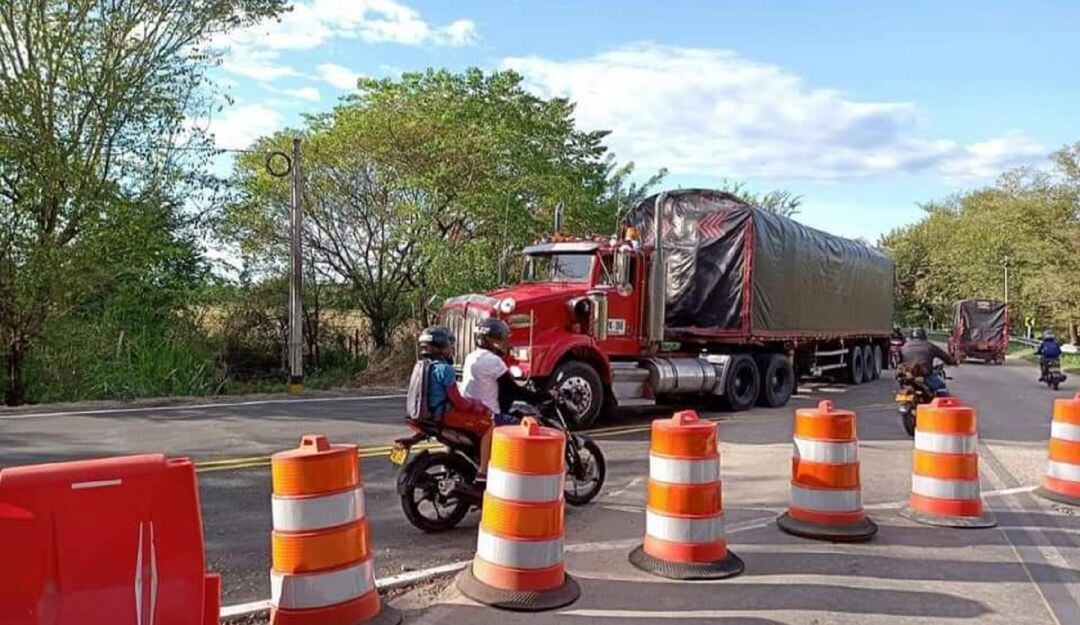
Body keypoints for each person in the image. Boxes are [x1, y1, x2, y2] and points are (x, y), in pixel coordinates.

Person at [461, 318, 547, 476]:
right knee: (530, 430)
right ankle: (518, 473)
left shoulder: (471, 357)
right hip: (489, 415)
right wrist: (542, 397)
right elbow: (514, 390)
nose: (503, 343)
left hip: (470, 412)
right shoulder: (493, 361)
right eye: (500, 339)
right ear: (490, 340)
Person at [414, 326, 488, 418]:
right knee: (484, 422)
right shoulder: (445, 369)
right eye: (449, 346)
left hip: (426, 413)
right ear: (441, 347)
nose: (451, 350)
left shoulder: (422, 366)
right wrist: (476, 406)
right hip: (442, 414)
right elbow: (457, 401)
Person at [900, 327, 956, 393]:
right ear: (924, 336)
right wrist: (953, 361)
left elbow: (899, 362)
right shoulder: (929, 346)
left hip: (908, 378)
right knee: (941, 387)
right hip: (925, 376)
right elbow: (945, 357)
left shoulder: (904, 347)